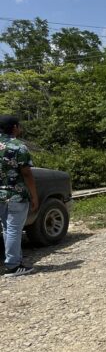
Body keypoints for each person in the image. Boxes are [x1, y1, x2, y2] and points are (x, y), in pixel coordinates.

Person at [0, 115, 38, 277]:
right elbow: (27, 174)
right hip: (16, 195)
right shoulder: (18, 147)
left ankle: (15, 260)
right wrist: (34, 196)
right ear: (14, 127)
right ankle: (13, 266)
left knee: (7, 229)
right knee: (14, 229)